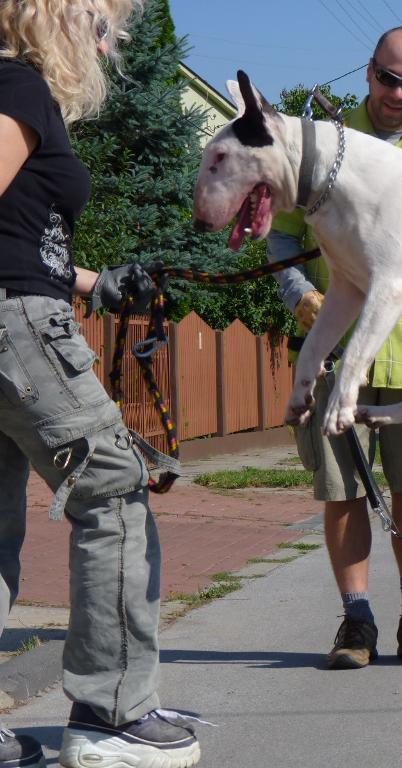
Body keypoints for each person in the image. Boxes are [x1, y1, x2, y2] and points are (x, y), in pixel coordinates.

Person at [0, 2, 203, 767]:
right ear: (65, 18)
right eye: (105, 24)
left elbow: (18, 236)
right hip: (18, 327)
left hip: (18, 313)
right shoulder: (19, 88)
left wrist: (95, 281)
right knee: (113, 488)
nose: (111, 44)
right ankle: (112, 711)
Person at [267, 24, 402, 671]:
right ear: (369, 70)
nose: (396, 93)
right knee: (343, 492)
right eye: (388, 78)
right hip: (335, 353)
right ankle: (356, 626)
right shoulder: (322, 147)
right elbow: (281, 237)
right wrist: (298, 291)